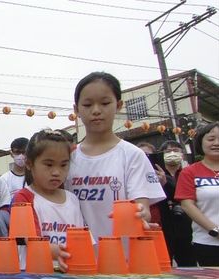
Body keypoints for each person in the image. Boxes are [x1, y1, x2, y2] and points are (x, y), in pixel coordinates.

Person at [66, 72, 166, 243]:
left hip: (124, 258)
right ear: (77, 110)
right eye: (87, 104)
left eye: (105, 103)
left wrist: (141, 213)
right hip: (78, 259)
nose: (96, 110)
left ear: (118, 105)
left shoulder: (133, 155)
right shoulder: (68, 158)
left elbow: (143, 208)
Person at [13, 130, 79, 272]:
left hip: (69, 273)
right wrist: (58, 251)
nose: (56, 172)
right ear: (29, 164)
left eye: (63, 165)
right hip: (34, 275)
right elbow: (30, 240)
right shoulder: (23, 197)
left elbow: (81, 237)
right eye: (49, 165)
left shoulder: (72, 199)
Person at [175, 122, 219, 266]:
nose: (217, 143)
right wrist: (215, 231)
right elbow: (187, 205)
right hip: (208, 242)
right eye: (211, 139)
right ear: (201, 142)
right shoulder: (189, 172)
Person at [157, 140, 197, 266]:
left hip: (186, 224)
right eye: (168, 151)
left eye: (176, 151)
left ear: (182, 155)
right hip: (164, 223)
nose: (172, 153)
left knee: (188, 263)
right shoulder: (157, 173)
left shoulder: (189, 173)